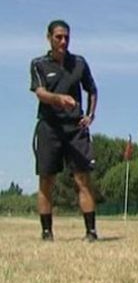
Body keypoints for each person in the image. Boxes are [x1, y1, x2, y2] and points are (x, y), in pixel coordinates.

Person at [30, 20, 99, 242]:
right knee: (47, 180)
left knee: (83, 179)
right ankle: (47, 232)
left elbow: (92, 90)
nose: (63, 41)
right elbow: (40, 93)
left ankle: (91, 231)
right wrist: (58, 99)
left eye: (67, 37)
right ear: (49, 38)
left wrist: (90, 115)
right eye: (59, 37)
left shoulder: (79, 63)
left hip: (75, 129)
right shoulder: (39, 64)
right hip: (49, 127)